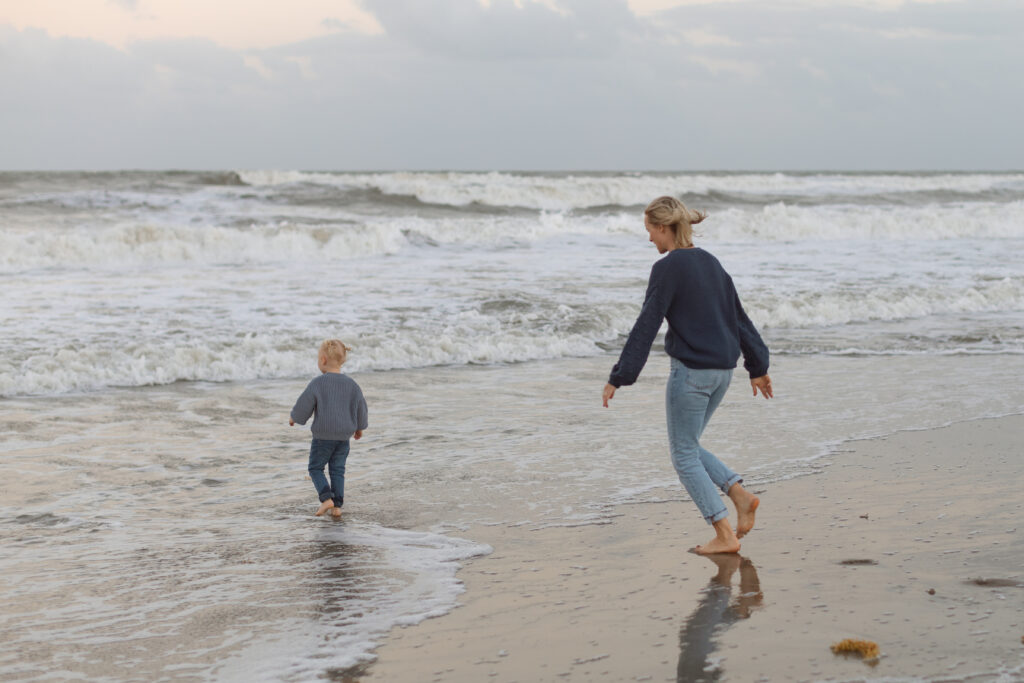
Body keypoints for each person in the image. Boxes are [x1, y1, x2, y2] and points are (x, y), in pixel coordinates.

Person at [602, 196, 772, 555]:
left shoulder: (667, 268)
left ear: (663, 227)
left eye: (649, 230)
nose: (650, 239)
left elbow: (646, 325)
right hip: (722, 373)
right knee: (689, 447)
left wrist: (620, 375)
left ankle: (724, 534)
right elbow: (739, 318)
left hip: (692, 374)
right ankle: (739, 495)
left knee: (682, 454)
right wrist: (758, 367)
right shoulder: (711, 262)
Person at [290, 339, 369, 517]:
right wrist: (359, 428)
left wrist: (294, 417)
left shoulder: (318, 383)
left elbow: (304, 404)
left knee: (315, 468)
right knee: (337, 470)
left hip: (323, 437)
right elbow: (361, 408)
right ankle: (337, 507)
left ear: (323, 360)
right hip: (343, 437)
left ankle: (326, 499)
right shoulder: (352, 385)